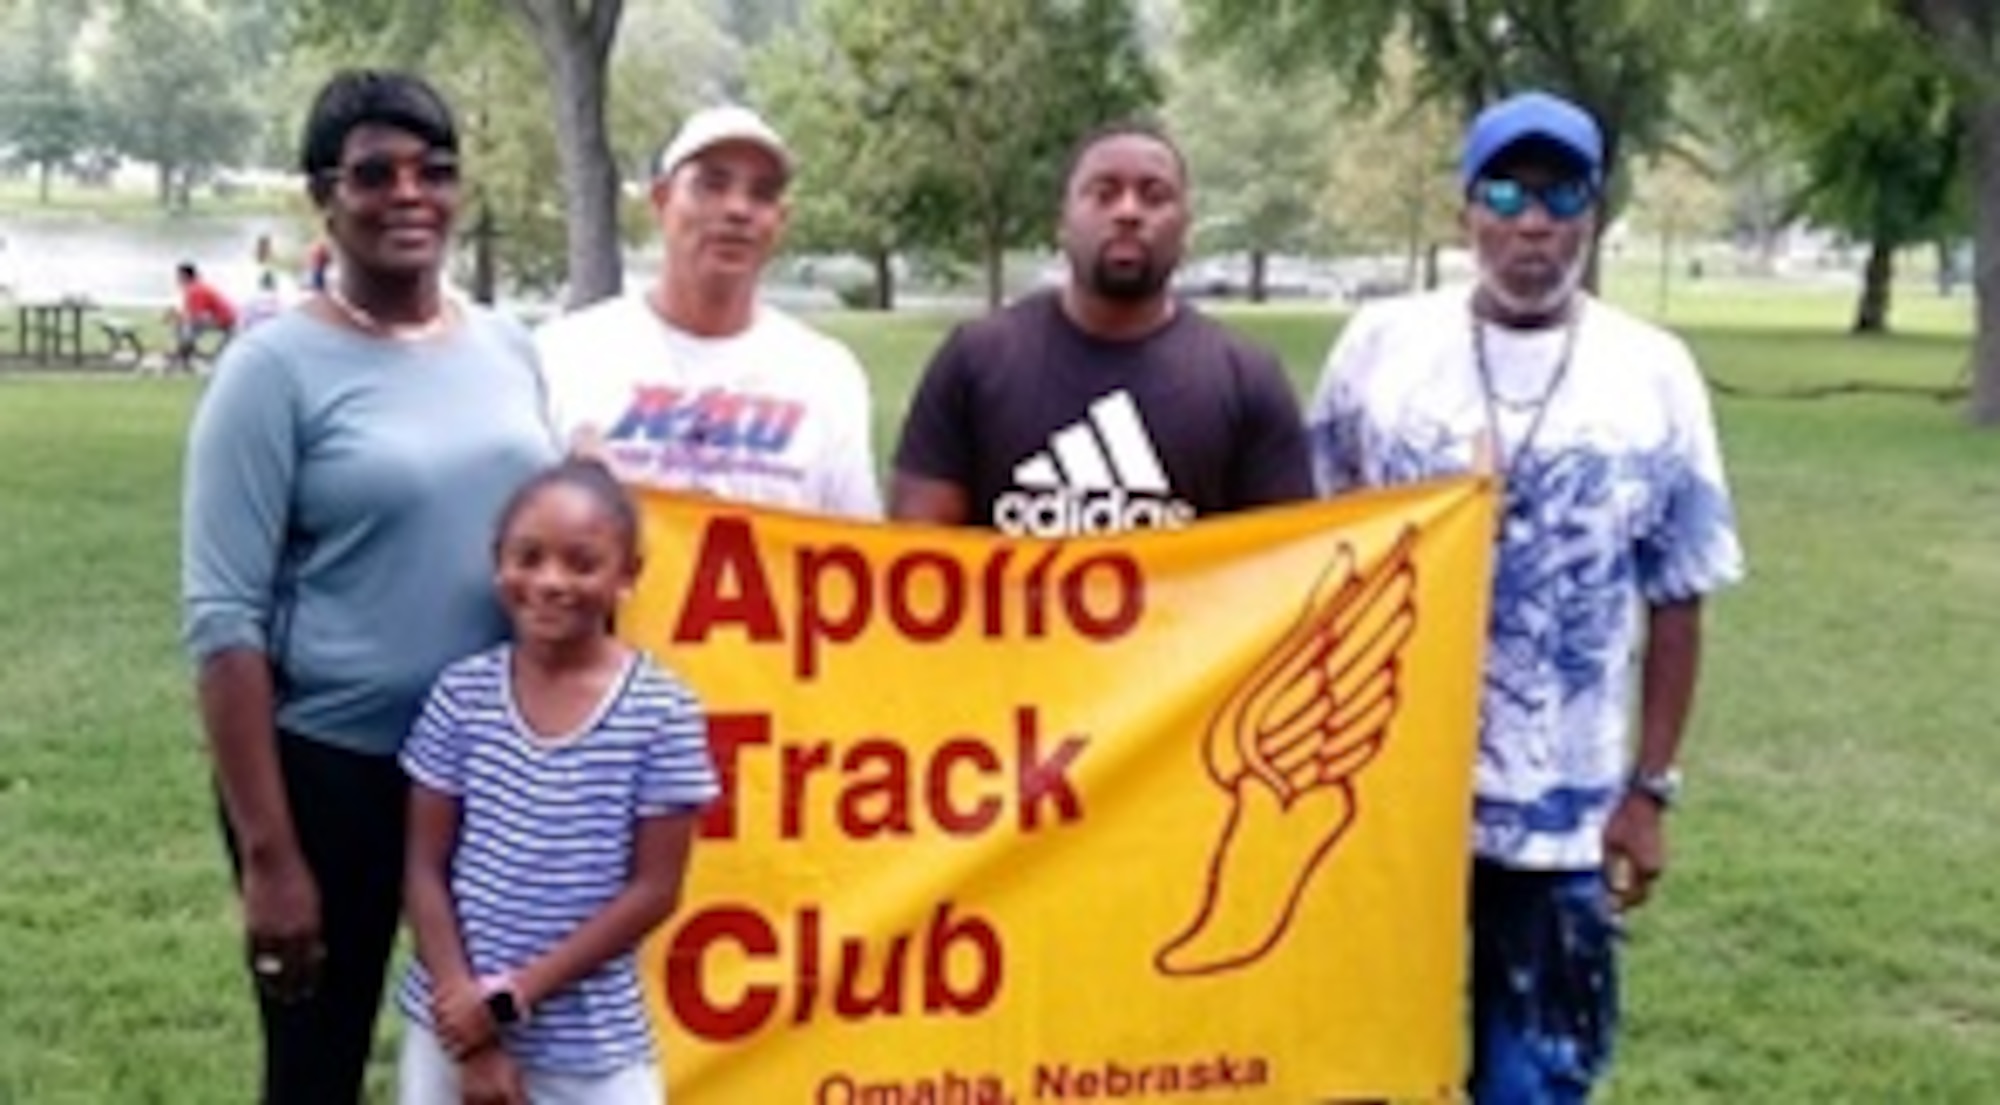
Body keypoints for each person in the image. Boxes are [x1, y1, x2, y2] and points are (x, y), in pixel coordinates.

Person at [1306, 90, 1746, 1103]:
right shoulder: (1377, 348)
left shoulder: (1654, 372)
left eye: (1561, 192)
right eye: (1505, 190)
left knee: (1537, 1084)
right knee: (1361, 1076)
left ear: (1594, 210)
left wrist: (1648, 791)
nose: (1532, 220)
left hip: (1565, 822)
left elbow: (1679, 597)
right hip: (1383, 807)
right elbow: (1306, 547)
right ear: (1466, 207)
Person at [180, 69, 557, 1105]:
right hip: (330, 770)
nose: (408, 194)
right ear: (324, 195)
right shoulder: (273, 369)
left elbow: (550, 537)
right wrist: (271, 856)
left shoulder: (507, 346)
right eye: (374, 172)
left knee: (503, 1049)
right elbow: (223, 625)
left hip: (489, 771)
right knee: (316, 1068)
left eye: (434, 170)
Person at [396, 460, 716, 1104]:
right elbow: (423, 867)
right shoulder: (463, 696)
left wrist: (514, 998)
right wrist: (472, 1021)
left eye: (582, 562)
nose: (550, 582)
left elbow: (655, 890)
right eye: (529, 557)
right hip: (451, 1025)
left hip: (590, 1047)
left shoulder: (661, 711)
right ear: (498, 564)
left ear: (628, 576)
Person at [890, 122, 1312, 534]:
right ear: (1063, 223)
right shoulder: (975, 359)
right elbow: (920, 562)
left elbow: (1284, 569)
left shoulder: (1248, 378)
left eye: (1154, 196)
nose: (1128, 212)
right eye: (1103, 193)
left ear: (1186, 228)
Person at [534, 105, 879, 517]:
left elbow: (853, 549)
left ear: (780, 221)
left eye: (762, 194)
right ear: (661, 201)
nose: (737, 209)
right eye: (711, 185)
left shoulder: (827, 375)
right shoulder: (564, 355)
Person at [171, 261, 238, 371]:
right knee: (186, 327)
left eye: (179, 276)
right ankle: (185, 356)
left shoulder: (195, 289)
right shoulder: (196, 286)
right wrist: (178, 316)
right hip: (224, 317)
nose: (177, 279)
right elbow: (190, 312)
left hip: (226, 319)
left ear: (185, 276)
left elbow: (195, 315)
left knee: (188, 329)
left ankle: (184, 357)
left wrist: (178, 319)